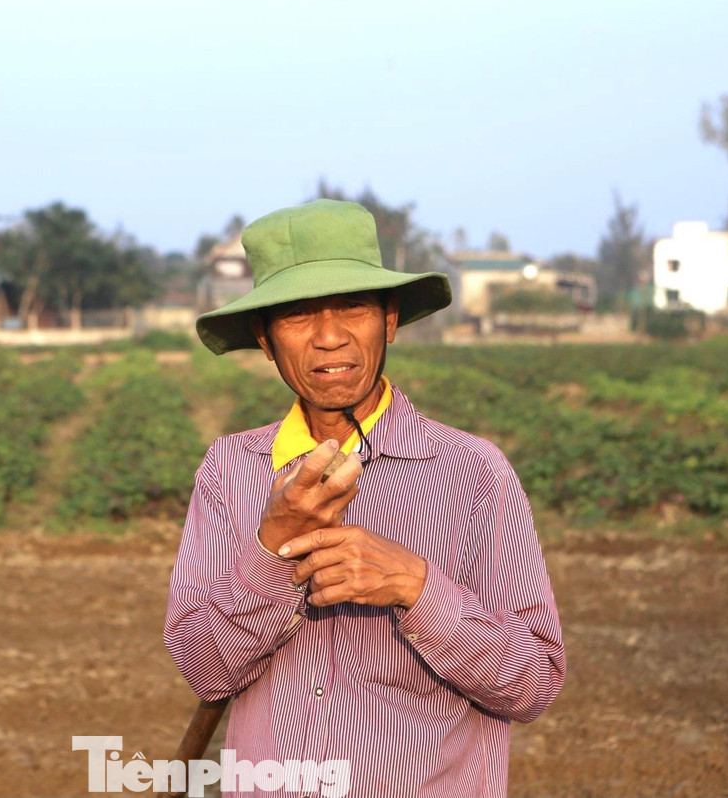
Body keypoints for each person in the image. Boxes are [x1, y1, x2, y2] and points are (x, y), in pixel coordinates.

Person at [164, 199, 565, 797]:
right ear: (266, 340)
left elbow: (534, 683)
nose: (329, 337)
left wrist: (417, 588)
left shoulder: (474, 473)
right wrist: (273, 547)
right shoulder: (231, 471)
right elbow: (202, 669)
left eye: (353, 306)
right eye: (297, 314)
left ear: (390, 319)